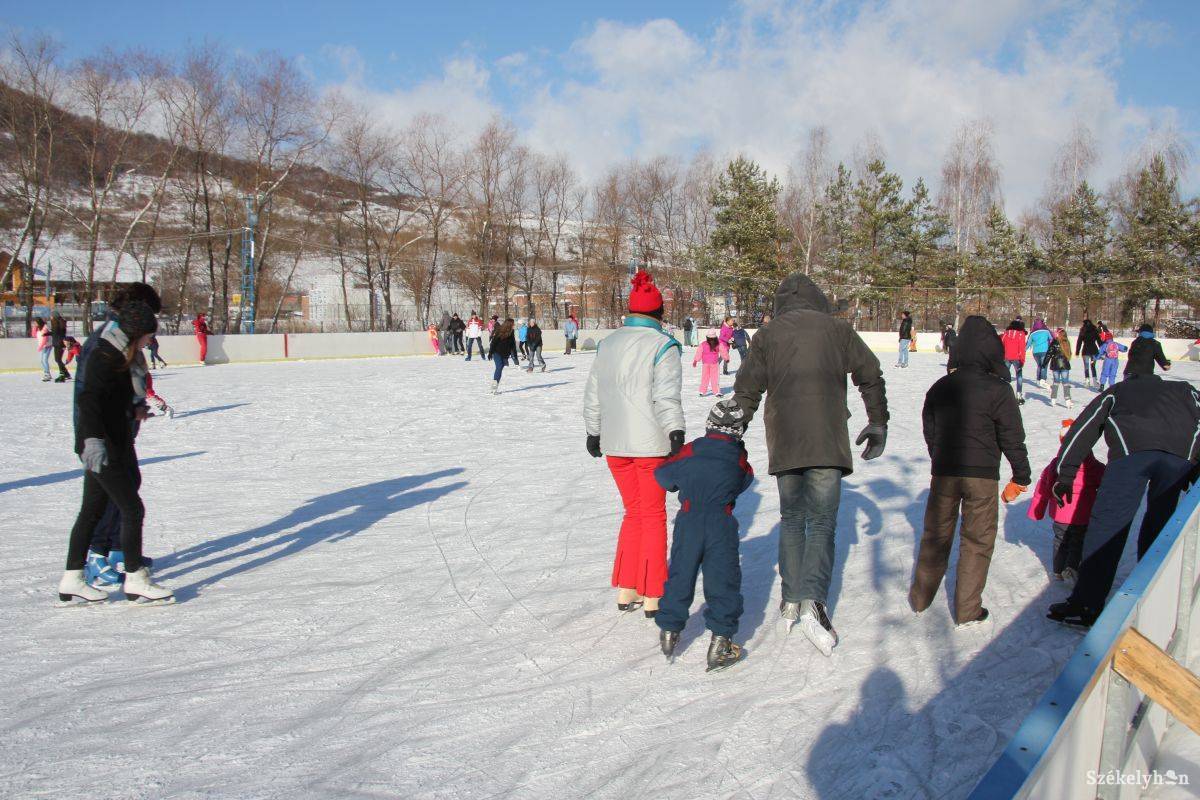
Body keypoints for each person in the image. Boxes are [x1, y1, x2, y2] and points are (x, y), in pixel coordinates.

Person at [731, 272, 888, 655]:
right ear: (818, 298)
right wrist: (878, 420)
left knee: (792, 519)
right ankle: (813, 601)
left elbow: (746, 390)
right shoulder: (838, 330)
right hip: (827, 440)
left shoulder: (767, 334)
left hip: (785, 439)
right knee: (820, 522)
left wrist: (730, 436)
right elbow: (871, 374)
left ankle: (791, 598)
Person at [1047, 363, 1200, 627]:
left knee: (1108, 524)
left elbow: (1083, 429)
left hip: (1132, 454)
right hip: (1178, 458)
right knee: (1161, 525)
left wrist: (1065, 474)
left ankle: (1086, 604)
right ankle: (1156, 596)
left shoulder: (1119, 390)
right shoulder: (1186, 390)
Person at [911, 316, 1031, 626]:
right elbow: (1012, 436)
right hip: (981, 476)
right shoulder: (999, 389)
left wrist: (939, 456)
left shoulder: (941, 387)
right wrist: (1021, 475)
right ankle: (967, 609)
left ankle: (920, 597)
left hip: (945, 473)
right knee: (977, 541)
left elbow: (930, 429)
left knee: (935, 535)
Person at [58, 300, 174, 605]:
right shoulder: (104, 355)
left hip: (114, 440)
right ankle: (135, 578)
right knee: (132, 508)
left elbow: (114, 397)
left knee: (92, 511)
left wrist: (134, 408)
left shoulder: (122, 353)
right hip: (102, 446)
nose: (150, 341)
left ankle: (72, 578)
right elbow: (89, 401)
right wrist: (92, 441)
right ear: (136, 332)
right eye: (148, 336)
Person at [583, 269, 684, 619]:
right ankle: (654, 591)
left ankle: (628, 587)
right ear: (658, 314)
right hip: (649, 445)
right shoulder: (663, 345)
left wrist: (593, 431)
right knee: (653, 515)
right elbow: (666, 396)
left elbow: (594, 392)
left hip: (615, 444)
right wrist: (675, 431)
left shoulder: (608, 343)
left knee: (633, 512)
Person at [654, 398, 754, 672]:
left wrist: (681, 478)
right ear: (738, 431)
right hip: (721, 522)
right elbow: (745, 481)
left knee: (681, 573)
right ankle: (721, 639)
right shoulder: (738, 458)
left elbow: (662, 475)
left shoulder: (691, 450)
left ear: (709, 425)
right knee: (723, 580)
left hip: (689, 519)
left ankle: (669, 628)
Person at [1028, 419, 1105, 583]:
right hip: (1082, 514)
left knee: (1060, 541)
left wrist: (1038, 510)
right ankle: (1071, 568)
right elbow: (1106, 482)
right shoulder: (1093, 465)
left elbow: (1043, 487)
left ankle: (1057, 570)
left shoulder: (1056, 464)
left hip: (1060, 514)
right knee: (1077, 541)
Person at [488, 318, 518, 394]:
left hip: (505, 354)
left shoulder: (511, 332)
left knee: (500, 369)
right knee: (499, 367)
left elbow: (513, 345)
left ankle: (494, 387)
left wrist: (515, 355)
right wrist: (490, 353)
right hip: (496, 352)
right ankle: (494, 388)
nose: (514, 325)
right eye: (513, 324)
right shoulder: (499, 330)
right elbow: (493, 342)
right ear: (509, 324)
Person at [1046, 328, 1074, 408]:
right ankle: (1068, 400)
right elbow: (1069, 353)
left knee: (1056, 382)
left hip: (1055, 365)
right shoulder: (1067, 342)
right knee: (1065, 382)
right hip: (1065, 365)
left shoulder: (1054, 342)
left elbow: (1049, 353)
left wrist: (1044, 364)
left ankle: (1053, 399)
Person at [693, 328, 726, 396]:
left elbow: (699, 352)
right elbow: (723, 351)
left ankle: (702, 391)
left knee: (705, 377)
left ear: (707, 337)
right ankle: (716, 391)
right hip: (714, 363)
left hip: (705, 363)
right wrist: (726, 358)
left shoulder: (703, 344)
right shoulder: (718, 344)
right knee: (715, 378)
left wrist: (696, 360)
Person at [1001, 321, 1028, 404]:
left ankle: (1003, 395)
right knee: (1019, 376)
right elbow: (1022, 348)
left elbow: (1002, 344)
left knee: (1005, 376)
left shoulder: (1005, 334)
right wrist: (1022, 360)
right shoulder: (1020, 334)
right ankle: (1019, 395)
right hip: (1017, 358)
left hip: (1006, 357)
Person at [1076, 319, 1102, 388]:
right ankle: (1095, 381)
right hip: (1094, 350)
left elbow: (1079, 342)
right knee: (1093, 366)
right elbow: (1099, 340)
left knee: (1086, 366)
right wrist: (1102, 350)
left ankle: (1087, 381)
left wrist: (1077, 352)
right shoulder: (1095, 330)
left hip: (1085, 351)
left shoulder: (1083, 330)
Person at [1027, 319, 1052, 386]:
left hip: (1035, 352)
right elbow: (1052, 339)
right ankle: (1043, 380)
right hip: (1044, 351)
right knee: (1044, 366)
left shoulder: (1032, 333)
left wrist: (1023, 351)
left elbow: (1028, 343)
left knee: (1039, 366)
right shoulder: (1046, 331)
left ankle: (1038, 379)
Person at [50, 311, 70, 381]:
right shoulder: (60, 323)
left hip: (58, 343)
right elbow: (55, 333)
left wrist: (49, 333)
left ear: (54, 317)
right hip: (60, 343)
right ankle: (66, 373)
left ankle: (63, 373)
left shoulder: (57, 324)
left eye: (51, 316)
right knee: (58, 359)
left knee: (58, 359)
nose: (51, 317)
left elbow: (56, 333)